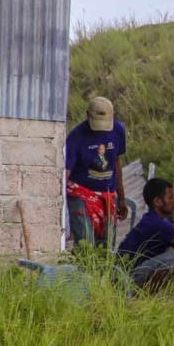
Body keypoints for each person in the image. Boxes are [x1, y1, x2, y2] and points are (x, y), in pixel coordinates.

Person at [66, 97, 128, 247]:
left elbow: (116, 162)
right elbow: (66, 171)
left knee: (106, 248)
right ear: (88, 115)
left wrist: (121, 198)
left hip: (108, 194)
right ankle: (83, 269)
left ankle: (102, 271)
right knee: (86, 244)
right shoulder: (76, 136)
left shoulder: (118, 130)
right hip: (81, 194)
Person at [118, 178, 174, 288]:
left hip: (132, 270)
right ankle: (149, 295)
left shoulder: (153, 219)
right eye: (171, 198)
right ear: (157, 202)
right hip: (128, 277)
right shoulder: (158, 224)